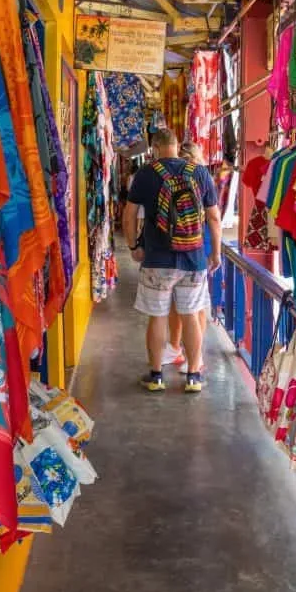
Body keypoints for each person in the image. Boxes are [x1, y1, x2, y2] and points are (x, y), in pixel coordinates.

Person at [124, 128, 221, 394]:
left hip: (157, 259)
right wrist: (216, 252)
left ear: (154, 148)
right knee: (190, 316)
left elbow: (129, 214)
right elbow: (213, 217)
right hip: (193, 258)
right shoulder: (199, 173)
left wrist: (134, 246)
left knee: (157, 317)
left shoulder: (146, 173)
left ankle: (156, 376)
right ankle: (193, 376)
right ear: (178, 147)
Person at [164, 142, 212, 371]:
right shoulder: (198, 178)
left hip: (200, 244)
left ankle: (196, 355)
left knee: (197, 305)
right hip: (189, 243)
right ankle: (177, 349)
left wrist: (216, 253)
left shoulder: (201, 178)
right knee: (183, 303)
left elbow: (214, 217)